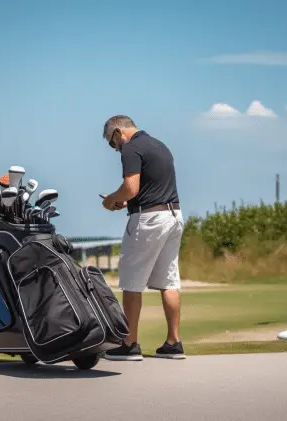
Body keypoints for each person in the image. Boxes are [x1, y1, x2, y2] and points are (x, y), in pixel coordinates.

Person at [100, 115, 185, 361]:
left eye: (111, 143)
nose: (115, 148)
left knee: (131, 280)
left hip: (148, 220)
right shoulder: (159, 145)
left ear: (118, 132)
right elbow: (150, 189)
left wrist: (111, 199)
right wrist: (124, 201)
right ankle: (173, 342)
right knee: (169, 281)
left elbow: (131, 188)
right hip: (173, 215)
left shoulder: (131, 148)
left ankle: (129, 343)